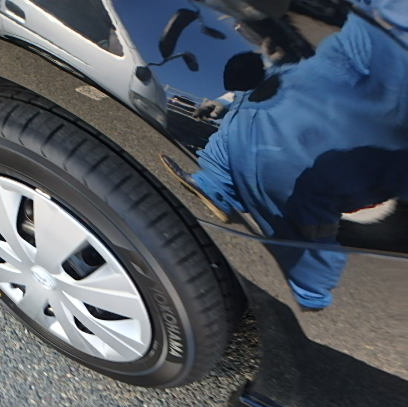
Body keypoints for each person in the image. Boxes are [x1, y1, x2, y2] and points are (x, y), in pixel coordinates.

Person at [163, 2, 408, 309]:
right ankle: (218, 185)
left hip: (344, 145)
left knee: (305, 210)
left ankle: (311, 294)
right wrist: (226, 102)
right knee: (245, 125)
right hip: (313, 86)